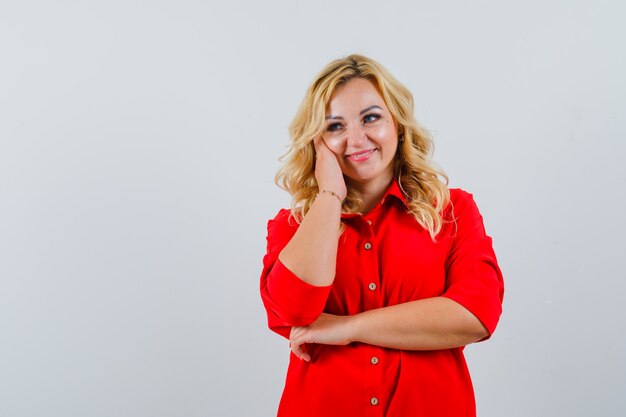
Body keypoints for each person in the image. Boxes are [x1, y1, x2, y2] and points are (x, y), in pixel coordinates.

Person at [259, 54, 504, 417]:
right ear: (316, 141)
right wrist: (329, 195)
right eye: (334, 126)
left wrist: (346, 327)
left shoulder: (452, 211)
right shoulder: (293, 226)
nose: (356, 138)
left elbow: (474, 316)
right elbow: (294, 311)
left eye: (371, 118)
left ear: (398, 124)